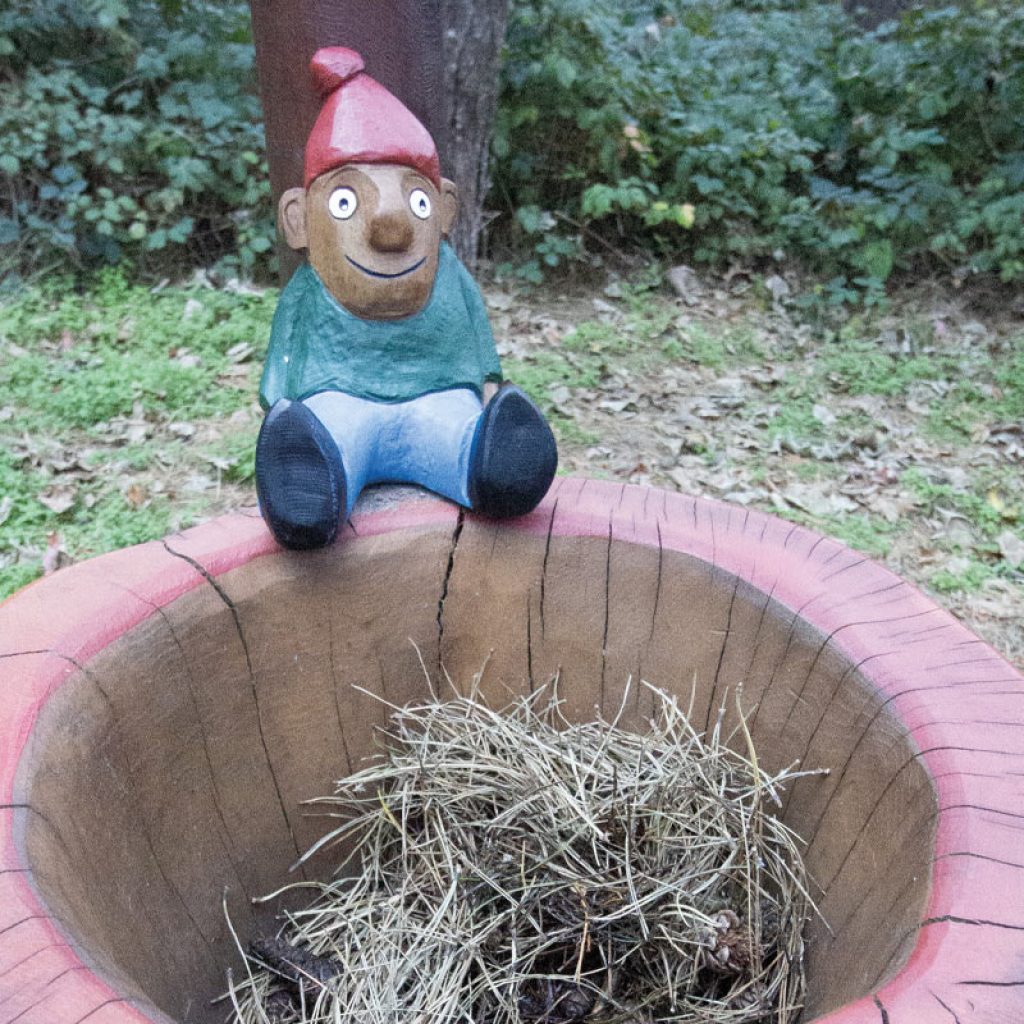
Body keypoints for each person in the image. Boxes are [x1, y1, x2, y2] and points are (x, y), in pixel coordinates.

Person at [256, 47, 557, 550]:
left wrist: (488, 385)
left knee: (455, 434)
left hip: (436, 396)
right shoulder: (307, 291)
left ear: (443, 209)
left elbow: (476, 340)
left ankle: (492, 466)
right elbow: (284, 361)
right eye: (345, 202)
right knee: (335, 436)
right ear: (298, 219)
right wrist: (279, 405)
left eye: (417, 201)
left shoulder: (450, 277)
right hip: (338, 398)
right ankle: (311, 486)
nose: (390, 228)